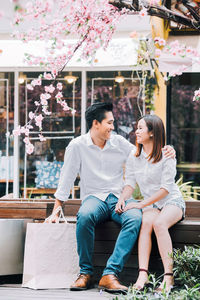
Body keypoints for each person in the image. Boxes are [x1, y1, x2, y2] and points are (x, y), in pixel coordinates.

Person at [50, 103, 175, 294]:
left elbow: (143, 153)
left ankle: (110, 274)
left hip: (119, 197)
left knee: (135, 218)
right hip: (94, 198)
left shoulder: (119, 143)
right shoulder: (77, 146)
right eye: (109, 123)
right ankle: (86, 273)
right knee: (84, 216)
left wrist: (169, 150)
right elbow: (66, 179)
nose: (113, 127)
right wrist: (56, 210)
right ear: (96, 124)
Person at [115, 115, 185, 293]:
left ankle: (168, 277)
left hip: (171, 201)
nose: (136, 132)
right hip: (152, 204)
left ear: (152, 132)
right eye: (136, 128)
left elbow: (165, 190)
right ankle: (142, 275)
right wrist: (123, 198)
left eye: (140, 128)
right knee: (145, 224)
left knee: (159, 224)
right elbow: (130, 183)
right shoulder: (134, 155)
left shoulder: (167, 155)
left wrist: (139, 205)